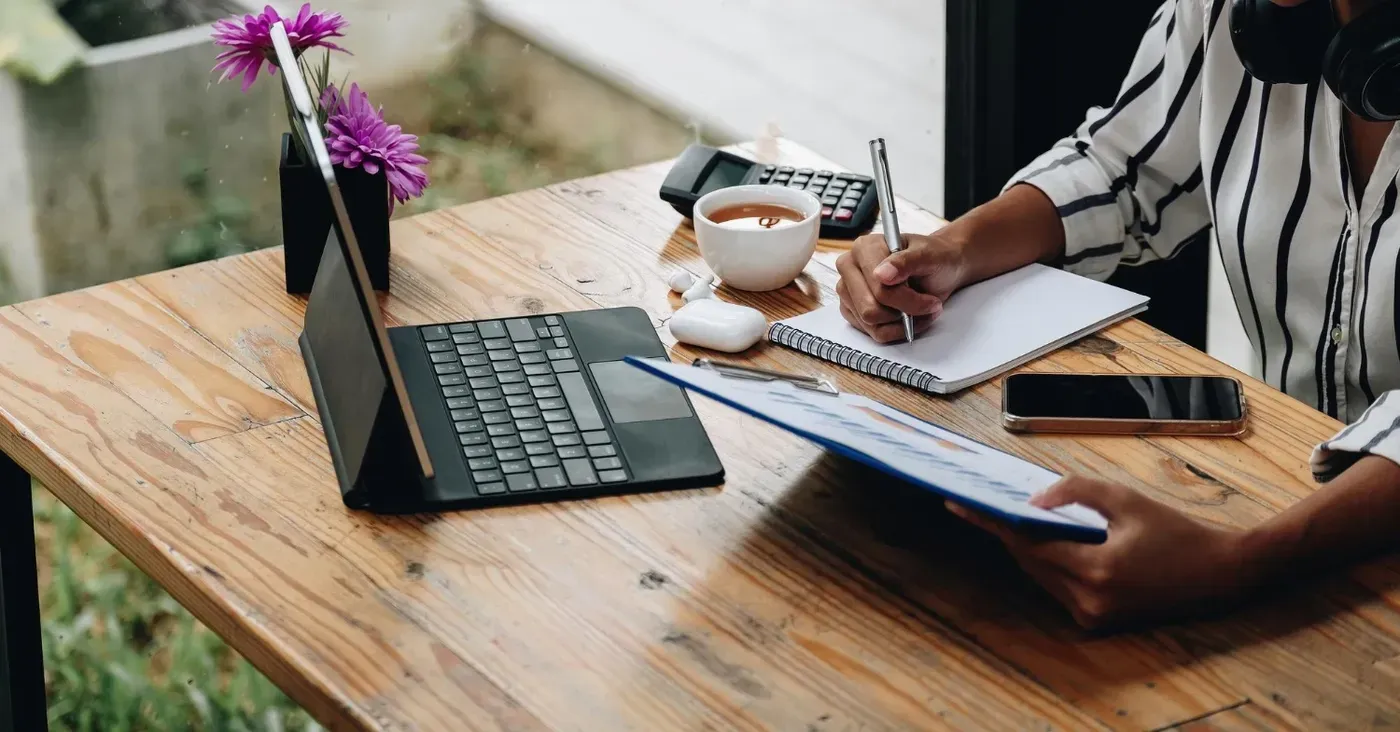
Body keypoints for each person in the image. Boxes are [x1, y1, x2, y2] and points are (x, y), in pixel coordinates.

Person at [836, 0, 1400, 628]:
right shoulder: (1230, 13)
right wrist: (955, 251)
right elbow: (1121, 172)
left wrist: (1238, 563)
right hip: (1278, 488)